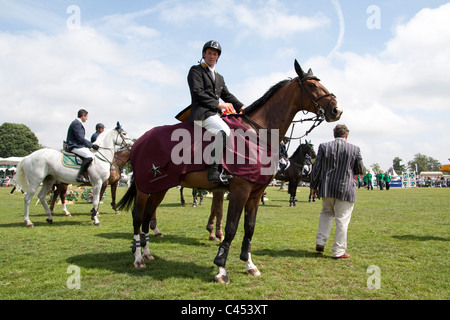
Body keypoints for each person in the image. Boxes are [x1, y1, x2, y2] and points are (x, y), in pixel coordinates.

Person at [187, 40, 246, 184]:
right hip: (202, 113)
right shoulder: (196, 70)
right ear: (203, 54)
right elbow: (197, 93)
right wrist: (219, 104)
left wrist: (242, 107)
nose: (212, 56)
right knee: (224, 131)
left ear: (218, 57)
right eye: (209, 53)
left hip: (214, 114)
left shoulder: (219, 77)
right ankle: (213, 172)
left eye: (215, 54)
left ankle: (227, 167)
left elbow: (227, 95)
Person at [310, 124, 364, 259]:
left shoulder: (324, 146)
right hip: (345, 188)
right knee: (342, 220)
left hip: (327, 187)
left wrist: (313, 186)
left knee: (326, 213)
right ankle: (339, 251)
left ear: (334, 135)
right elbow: (359, 170)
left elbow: (316, 168)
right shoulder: (355, 149)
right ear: (346, 136)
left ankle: (320, 241)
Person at [66, 109, 99, 183]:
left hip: (78, 145)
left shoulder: (77, 123)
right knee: (90, 156)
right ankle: (80, 176)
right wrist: (92, 145)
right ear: (83, 116)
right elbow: (80, 138)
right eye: (87, 116)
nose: (87, 118)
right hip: (74, 145)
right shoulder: (76, 123)